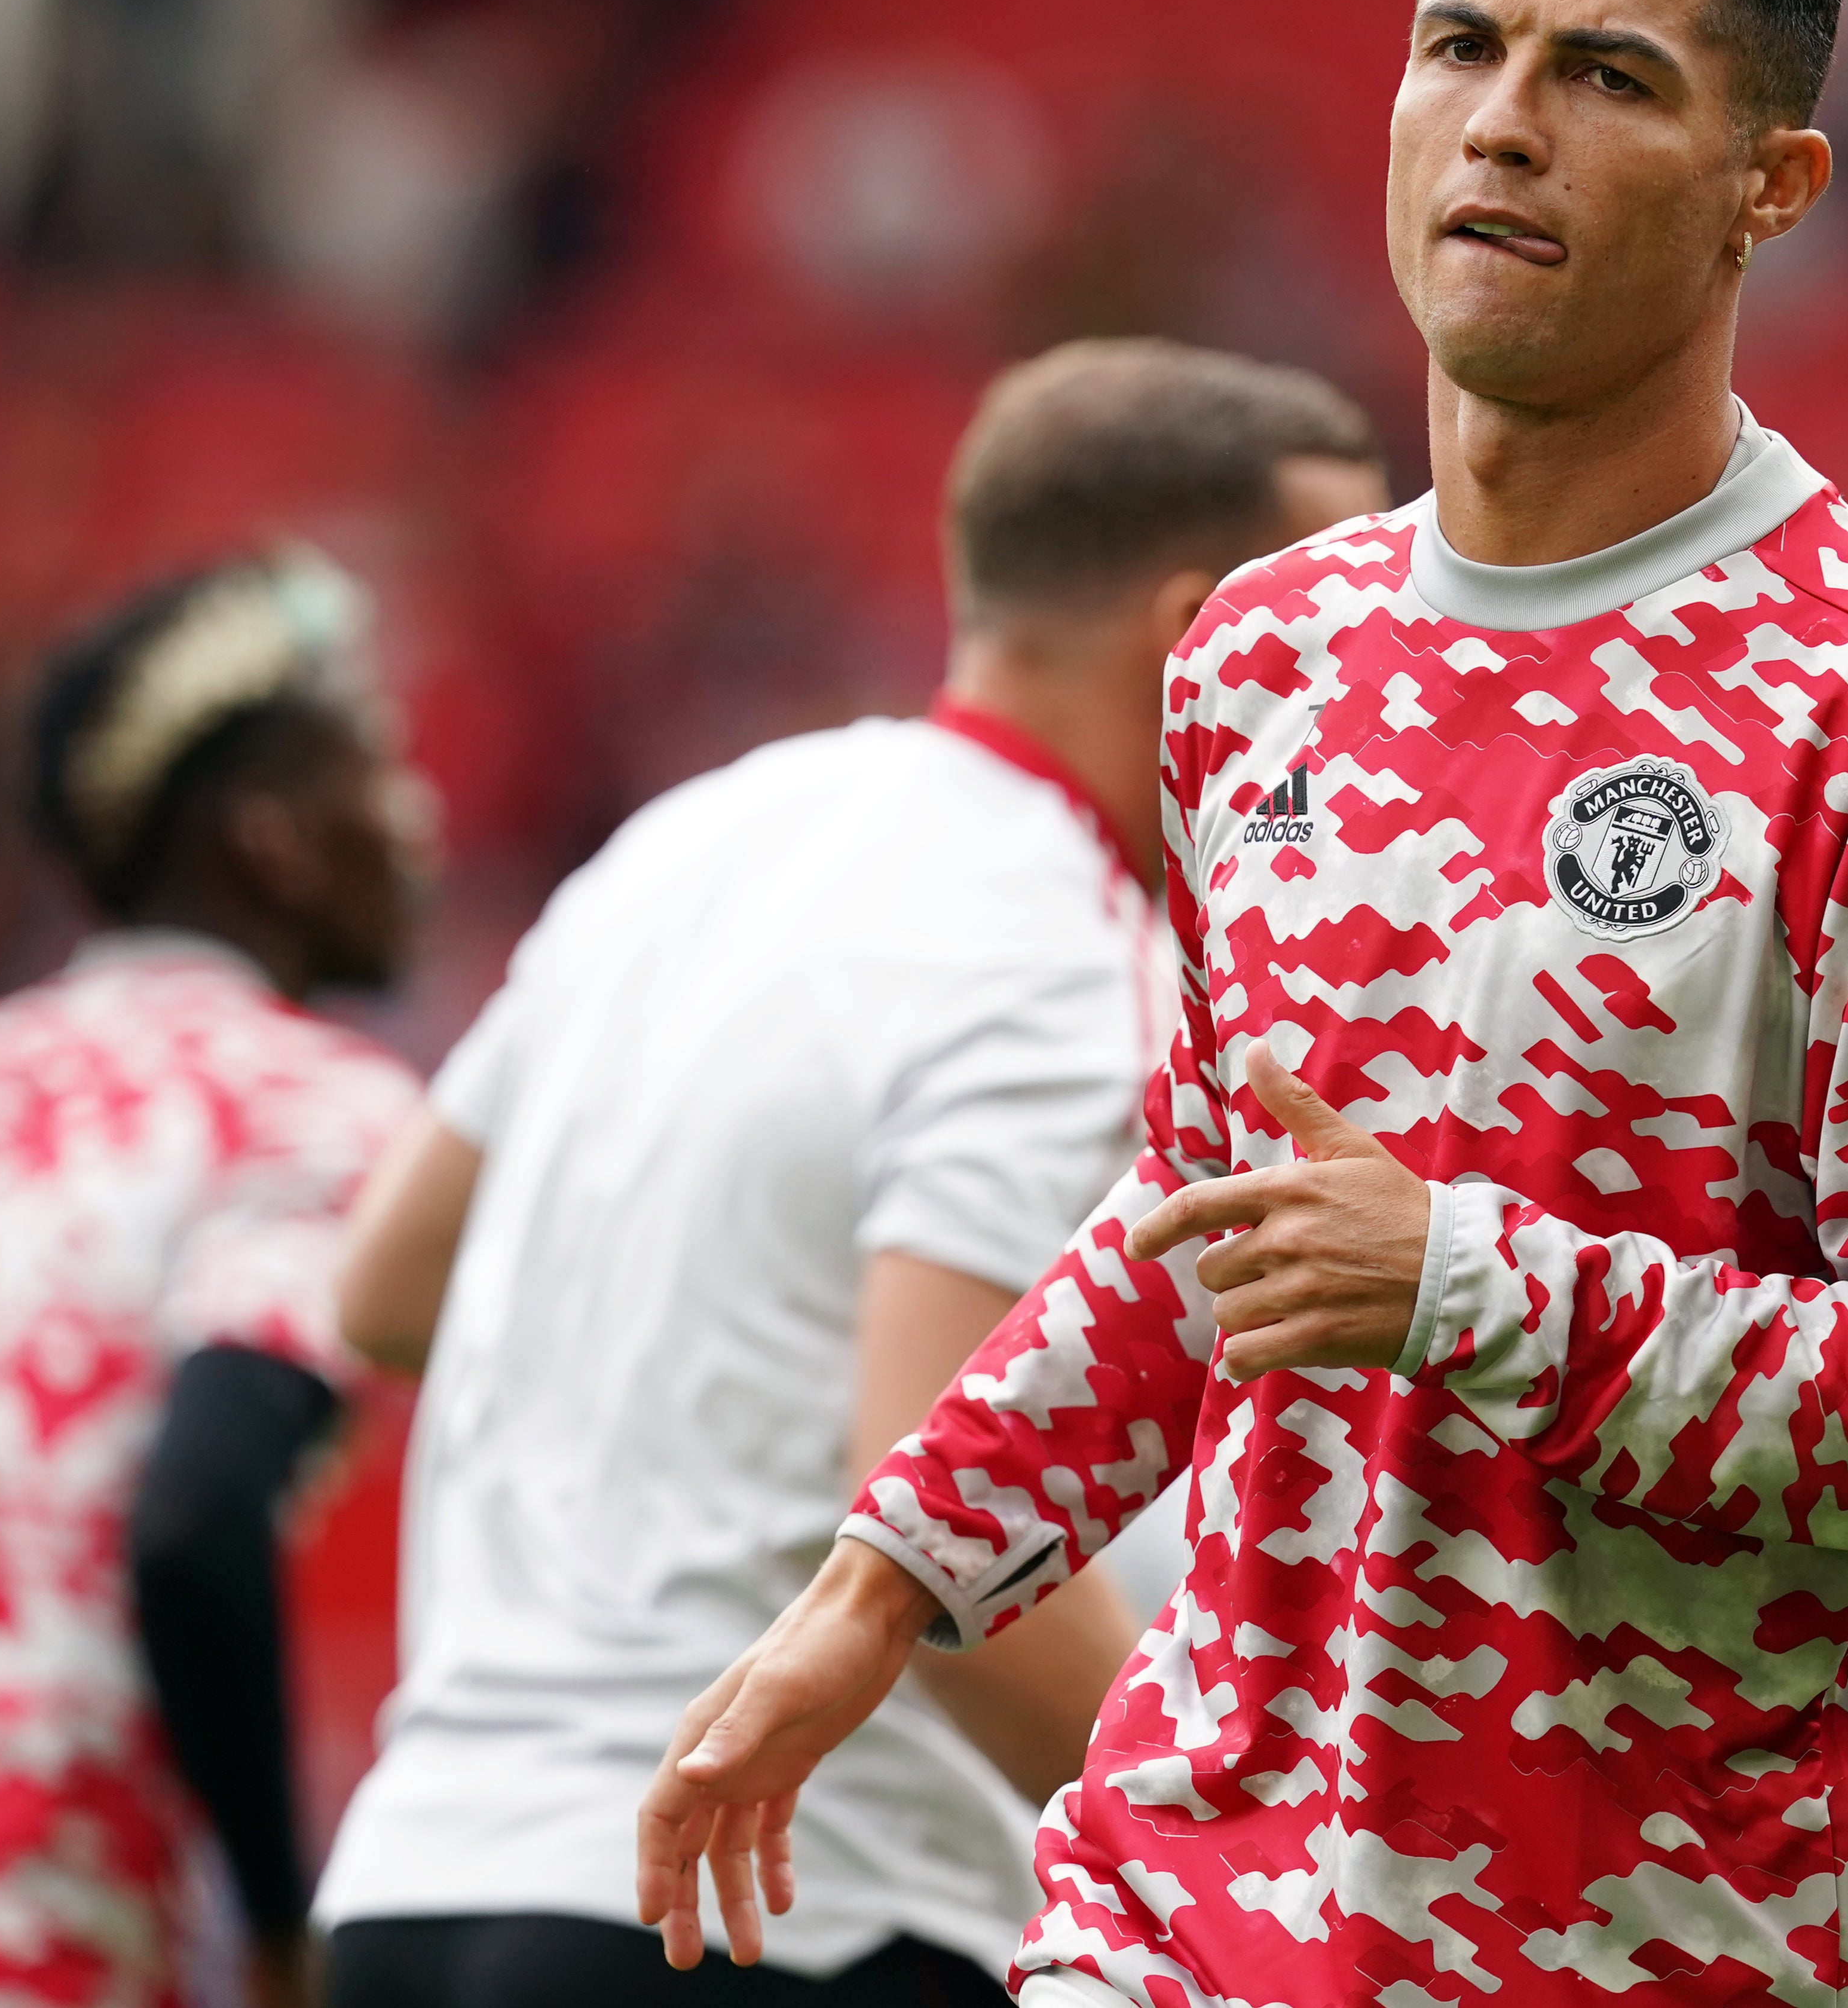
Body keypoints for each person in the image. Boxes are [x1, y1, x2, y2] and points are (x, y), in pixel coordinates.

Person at [636, 0, 1848, 2008]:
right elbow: (1203, 1219)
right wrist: (881, 1586)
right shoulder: (1261, 653)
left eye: (1607, 77)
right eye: (1460, 49)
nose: (1504, 125)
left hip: (1644, 1947)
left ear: (1772, 190)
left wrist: (1468, 1279)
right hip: (1177, 1906)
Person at [313, 340, 1388, 2007]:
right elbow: (944, 1497)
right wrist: (1240, 1872)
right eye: (1344, 645)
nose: (1370, 707)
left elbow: (383, 1286)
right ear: (1200, 637)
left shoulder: (704, 829)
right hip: (769, 1911)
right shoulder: (1053, 941)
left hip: (418, 1885)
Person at [0, 549, 428, 2008]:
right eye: (375, 773)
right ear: (265, 837)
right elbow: (197, 1514)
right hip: (50, 1934)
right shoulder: (316, 1109)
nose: (418, 819)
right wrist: (280, 1926)